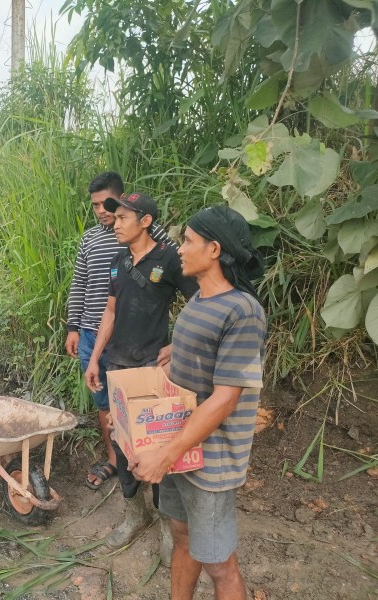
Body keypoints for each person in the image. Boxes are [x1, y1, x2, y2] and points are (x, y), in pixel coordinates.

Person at [132, 205, 267, 599]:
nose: (179, 248)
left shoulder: (242, 312)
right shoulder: (198, 302)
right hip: (182, 450)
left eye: (188, 241)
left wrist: (164, 455)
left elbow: (224, 400)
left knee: (220, 564)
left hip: (211, 461)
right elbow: (187, 370)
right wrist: (134, 420)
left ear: (214, 249)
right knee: (183, 535)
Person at [84, 192, 198, 559]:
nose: (115, 223)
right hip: (117, 368)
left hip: (152, 370)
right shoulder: (118, 260)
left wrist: (177, 345)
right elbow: (110, 312)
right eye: (114, 217)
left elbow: (201, 301)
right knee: (122, 443)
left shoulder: (169, 259)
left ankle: (167, 525)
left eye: (122, 218)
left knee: (158, 446)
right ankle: (135, 514)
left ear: (145, 221)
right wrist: (95, 359)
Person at [66, 172, 172, 491]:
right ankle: (116, 460)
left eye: (106, 204)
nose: (101, 211)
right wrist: (73, 326)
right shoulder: (92, 240)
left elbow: (175, 269)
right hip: (93, 332)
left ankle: (149, 469)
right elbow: (80, 283)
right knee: (104, 402)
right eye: (95, 205)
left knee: (143, 406)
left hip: (139, 337)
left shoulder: (148, 234)